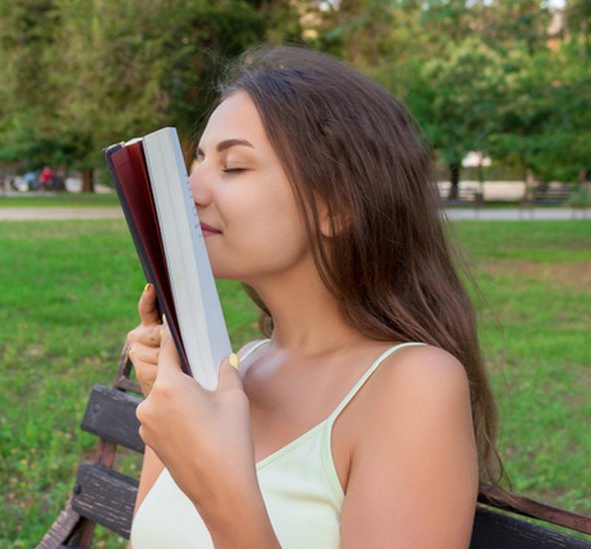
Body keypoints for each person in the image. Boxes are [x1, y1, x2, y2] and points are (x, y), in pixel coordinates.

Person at [124, 46, 501, 548]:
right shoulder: (231, 369)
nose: (190, 189)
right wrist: (177, 388)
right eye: (196, 161)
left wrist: (220, 489)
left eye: (233, 167)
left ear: (338, 206)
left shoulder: (413, 387)